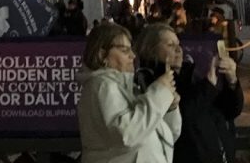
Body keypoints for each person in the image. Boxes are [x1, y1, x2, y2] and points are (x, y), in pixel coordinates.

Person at [136, 22, 243, 163]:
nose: (179, 49)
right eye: (170, 45)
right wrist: (208, 85)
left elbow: (230, 111)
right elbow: (180, 120)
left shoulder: (192, 74)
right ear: (150, 50)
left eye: (178, 43)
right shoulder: (151, 82)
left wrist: (232, 81)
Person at [77, 21, 181, 163]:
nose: (132, 56)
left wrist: (170, 108)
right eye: (124, 50)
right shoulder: (102, 85)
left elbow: (169, 134)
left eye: (131, 49)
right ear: (102, 55)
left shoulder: (129, 88)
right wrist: (160, 93)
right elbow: (126, 134)